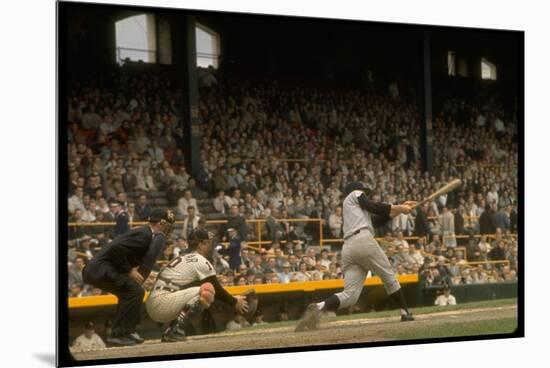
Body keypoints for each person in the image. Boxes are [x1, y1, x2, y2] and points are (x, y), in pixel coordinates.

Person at [295, 182, 415, 332]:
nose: (365, 193)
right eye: (364, 191)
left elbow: (377, 220)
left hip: (349, 248)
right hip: (362, 241)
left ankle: (319, 306)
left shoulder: (354, 212)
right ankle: (405, 312)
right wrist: (400, 207)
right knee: (389, 277)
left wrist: (400, 209)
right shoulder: (354, 195)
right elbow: (374, 207)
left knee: (350, 295)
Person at [82, 209, 175, 347]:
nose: (168, 229)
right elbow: (117, 249)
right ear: (161, 223)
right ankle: (119, 334)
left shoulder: (146, 234)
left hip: (99, 269)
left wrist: (136, 271)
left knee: (130, 292)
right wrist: (129, 271)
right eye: (167, 224)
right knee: (134, 291)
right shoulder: (145, 235)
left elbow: (127, 253)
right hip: (100, 269)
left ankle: (126, 331)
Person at [145, 228, 249, 342]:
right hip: (163, 301)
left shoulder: (183, 257)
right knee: (207, 290)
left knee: (203, 289)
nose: (211, 246)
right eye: (208, 242)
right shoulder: (199, 260)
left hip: (156, 301)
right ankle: (175, 330)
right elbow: (216, 289)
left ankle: (171, 331)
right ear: (201, 244)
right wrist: (234, 302)